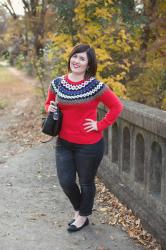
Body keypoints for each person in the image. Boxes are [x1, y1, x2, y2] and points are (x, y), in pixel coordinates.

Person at [45, 44, 123, 232]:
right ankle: (80, 209)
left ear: (88, 65)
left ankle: (82, 216)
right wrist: (50, 108)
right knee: (66, 181)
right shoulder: (57, 83)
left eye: (82, 59)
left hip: (89, 145)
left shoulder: (96, 86)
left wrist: (99, 124)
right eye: (75, 56)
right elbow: (48, 103)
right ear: (70, 58)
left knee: (86, 182)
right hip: (64, 143)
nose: (77, 61)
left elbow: (117, 107)